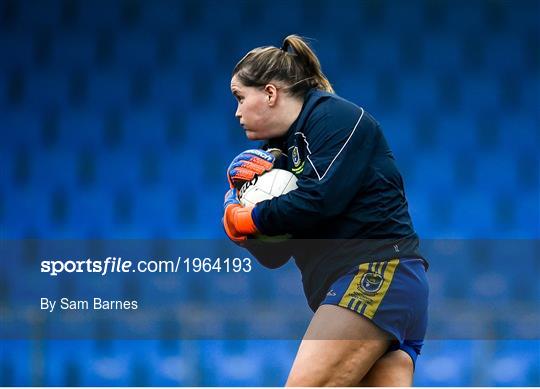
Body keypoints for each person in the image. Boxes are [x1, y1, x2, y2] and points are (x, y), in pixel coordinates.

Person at [222, 35, 429, 386]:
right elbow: (277, 254)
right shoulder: (277, 153)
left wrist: (251, 217)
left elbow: (320, 199)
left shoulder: (333, 117)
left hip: (377, 275)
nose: (237, 112)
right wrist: (245, 230)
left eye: (241, 98)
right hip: (367, 288)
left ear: (270, 93)